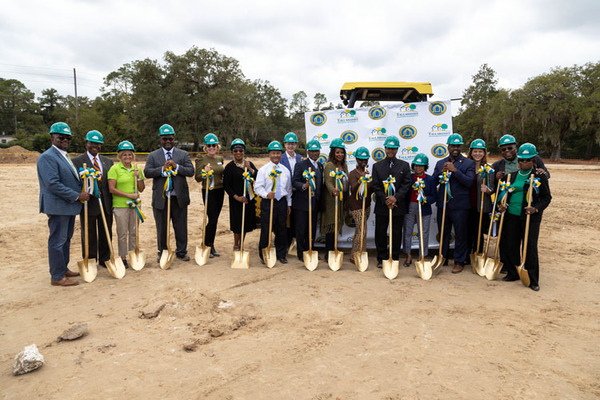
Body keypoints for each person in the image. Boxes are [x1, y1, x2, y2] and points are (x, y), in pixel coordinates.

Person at [37, 122, 90, 286]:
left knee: (66, 239)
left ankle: (63, 268)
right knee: (57, 241)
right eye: (61, 137)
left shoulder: (65, 156)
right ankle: (57, 276)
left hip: (67, 207)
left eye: (68, 138)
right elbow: (53, 183)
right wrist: (77, 195)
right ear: (52, 138)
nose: (65, 140)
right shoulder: (47, 157)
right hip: (58, 206)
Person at [498, 143, 551, 291]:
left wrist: (536, 209)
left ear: (534, 161)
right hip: (511, 216)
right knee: (511, 245)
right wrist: (501, 205)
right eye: (521, 160)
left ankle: (532, 279)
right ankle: (513, 273)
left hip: (530, 217)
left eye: (528, 160)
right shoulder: (511, 176)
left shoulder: (539, 176)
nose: (524, 163)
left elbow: (547, 198)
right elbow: (504, 195)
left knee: (529, 247)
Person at [144, 124, 195, 263]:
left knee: (181, 226)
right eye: (165, 138)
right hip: (161, 198)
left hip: (179, 198)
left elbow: (191, 171)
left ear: (174, 139)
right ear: (160, 139)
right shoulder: (153, 155)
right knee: (162, 227)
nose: (168, 141)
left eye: (170, 139)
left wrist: (176, 167)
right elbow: (147, 172)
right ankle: (163, 251)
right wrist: (162, 169)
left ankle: (181, 251)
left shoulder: (182, 154)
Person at [432, 133, 476, 273]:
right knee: (443, 233)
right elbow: (433, 182)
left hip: (461, 207)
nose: (455, 148)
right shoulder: (440, 163)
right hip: (443, 205)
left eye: (458, 146)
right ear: (448, 147)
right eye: (453, 146)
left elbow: (469, 182)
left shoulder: (469, 163)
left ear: (460, 147)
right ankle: (442, 258)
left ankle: (459, 261)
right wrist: (441, 172)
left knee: (461, 234)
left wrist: (455, 171)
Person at [72, 130, 114, 269]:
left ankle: (104, 258)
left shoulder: (108, 162)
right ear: (86, 144)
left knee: (105, 231)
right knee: (89, 234)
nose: (94, 146)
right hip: (88, 204)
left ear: (101, 146)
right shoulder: (77, 161)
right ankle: (90, 259)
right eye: (91, 143)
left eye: (98, 144)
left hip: (106, 204)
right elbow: (73, 182)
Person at [372, 136, 412, 268]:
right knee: (380, 233)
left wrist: (395, 198)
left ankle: (394, 257)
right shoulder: (377, 166)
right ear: (385, 148)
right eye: (388, 148)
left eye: (393, 148)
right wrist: (385, 199)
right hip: (382, 206)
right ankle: (381, 258)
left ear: (397, 149)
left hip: (398, 206)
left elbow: (406, 184)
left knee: (396, 233)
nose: (390, 151)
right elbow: (376, 185)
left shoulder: (404, 165)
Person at [107, 141, 145, 268]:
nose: (127, 157)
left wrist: (138, 177)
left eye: (129, 154)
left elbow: (141, 188)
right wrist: (129, 196)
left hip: (135, 205)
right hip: (121, 206)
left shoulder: (137, 169)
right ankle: (123, 257)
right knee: (122, 233)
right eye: (124, 155)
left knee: (134, 231)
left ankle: (133, 254)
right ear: (120, 156)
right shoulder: (114, 169)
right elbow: (111, 189)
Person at [255, 141, 292, 264]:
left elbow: (289, 189)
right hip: (268, 202)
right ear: (269, 154)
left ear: (281, 154)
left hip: (281, 202)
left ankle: (281, 254)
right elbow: (257, 187)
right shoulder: (263, 170)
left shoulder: (285, 171)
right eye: (273, 153)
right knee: (266, 228)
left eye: (278, 153)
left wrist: (288, 204)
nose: (276, 155)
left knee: (281, 228)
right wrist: (266, 194)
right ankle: (264, 253)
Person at [223, 138, 258, 251]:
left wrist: (250, 169)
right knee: (237, 223)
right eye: (235, 150)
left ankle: (241, 243)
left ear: (244, 151)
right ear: (232, 152)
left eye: (241, 150)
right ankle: (236, 244)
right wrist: (236, 197)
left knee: (245, 223)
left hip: (248, 199)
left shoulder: (249, 164)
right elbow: (226, 185)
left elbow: (257, 176)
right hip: (236, 200)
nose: (238, 153)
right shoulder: (230, 167)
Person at [402, 153, 437, 267]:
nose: (418, 168)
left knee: (424, 232)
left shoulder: (430, 179)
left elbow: (434, 195)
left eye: (421, 166)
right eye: (416, 165)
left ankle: (422, 255)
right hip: (410, 207)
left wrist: (426, 199)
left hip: (424, 208)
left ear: (425, 167)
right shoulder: (409, 178)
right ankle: (408, 255)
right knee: (408, 231)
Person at [292, 139, 323, 262]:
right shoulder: (300, 165)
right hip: (302, 203)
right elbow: (294, 181)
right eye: (312, 151)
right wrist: (303, 186)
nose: (315, 153)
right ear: (308, 152)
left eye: (317, 151)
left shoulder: (320, 165)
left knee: (312, 228)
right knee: (301, 229)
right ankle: (301, 253)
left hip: (315, 203)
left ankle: (310, 249)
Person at [194, 133, 225, 258]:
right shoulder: (201, 160)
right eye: (209, 146)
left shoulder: (220, 159)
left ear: (217, 147)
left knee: (215, 219)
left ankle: (211, 244)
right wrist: (205, 174)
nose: (211, 148)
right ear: (205, 148)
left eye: (214, 145)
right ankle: (206, 244)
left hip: (220, 191)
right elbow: (197, 178)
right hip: (208, 191)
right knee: (212, 219)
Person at [321, 138, 349, 259]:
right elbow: (328, 181)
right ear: (333, 153)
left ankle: (334, 250)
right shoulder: (329, 165)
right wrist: (333, 190)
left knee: (337, 225)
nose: (340, 155)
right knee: (331, 227)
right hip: (331, 201)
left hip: (341, 200)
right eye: (337, 152)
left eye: (342, 152)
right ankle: (329, 253)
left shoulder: (344, 166)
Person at [467, 139, 495, 256]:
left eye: (480, 151)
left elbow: (492, 187)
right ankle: (467, 255)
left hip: (481, 206)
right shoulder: (466, 166)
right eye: (475, 151)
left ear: (484, 153)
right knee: (468, 232)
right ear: (471, 152)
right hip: (467, 205)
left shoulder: (489, 169)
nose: (477, 154)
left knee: (478, 231)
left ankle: (478, 253)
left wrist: (488, 190)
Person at [348, 146, 372, 263]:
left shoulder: (368, 173)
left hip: (366, 205)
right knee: (362, 230)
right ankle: (354, 256)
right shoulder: (352, 173)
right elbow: (353, 188)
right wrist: (361, 179)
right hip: (356, 206)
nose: (363, 161)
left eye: (365, 159)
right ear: (356, 159)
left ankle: (361, 251)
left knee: (360, 231)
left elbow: (370, 190)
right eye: (361, 159)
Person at [280, 132, 302, 250]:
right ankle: (285, 242)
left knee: (295, 218)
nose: (290, 146)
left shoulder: (300, 158)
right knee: (285, 218)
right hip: (284, 193)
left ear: (296, 145)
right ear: (285, 145)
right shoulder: (281, 158)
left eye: (293, 144)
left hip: (297, 193)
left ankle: (294, 242)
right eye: (288, 144)